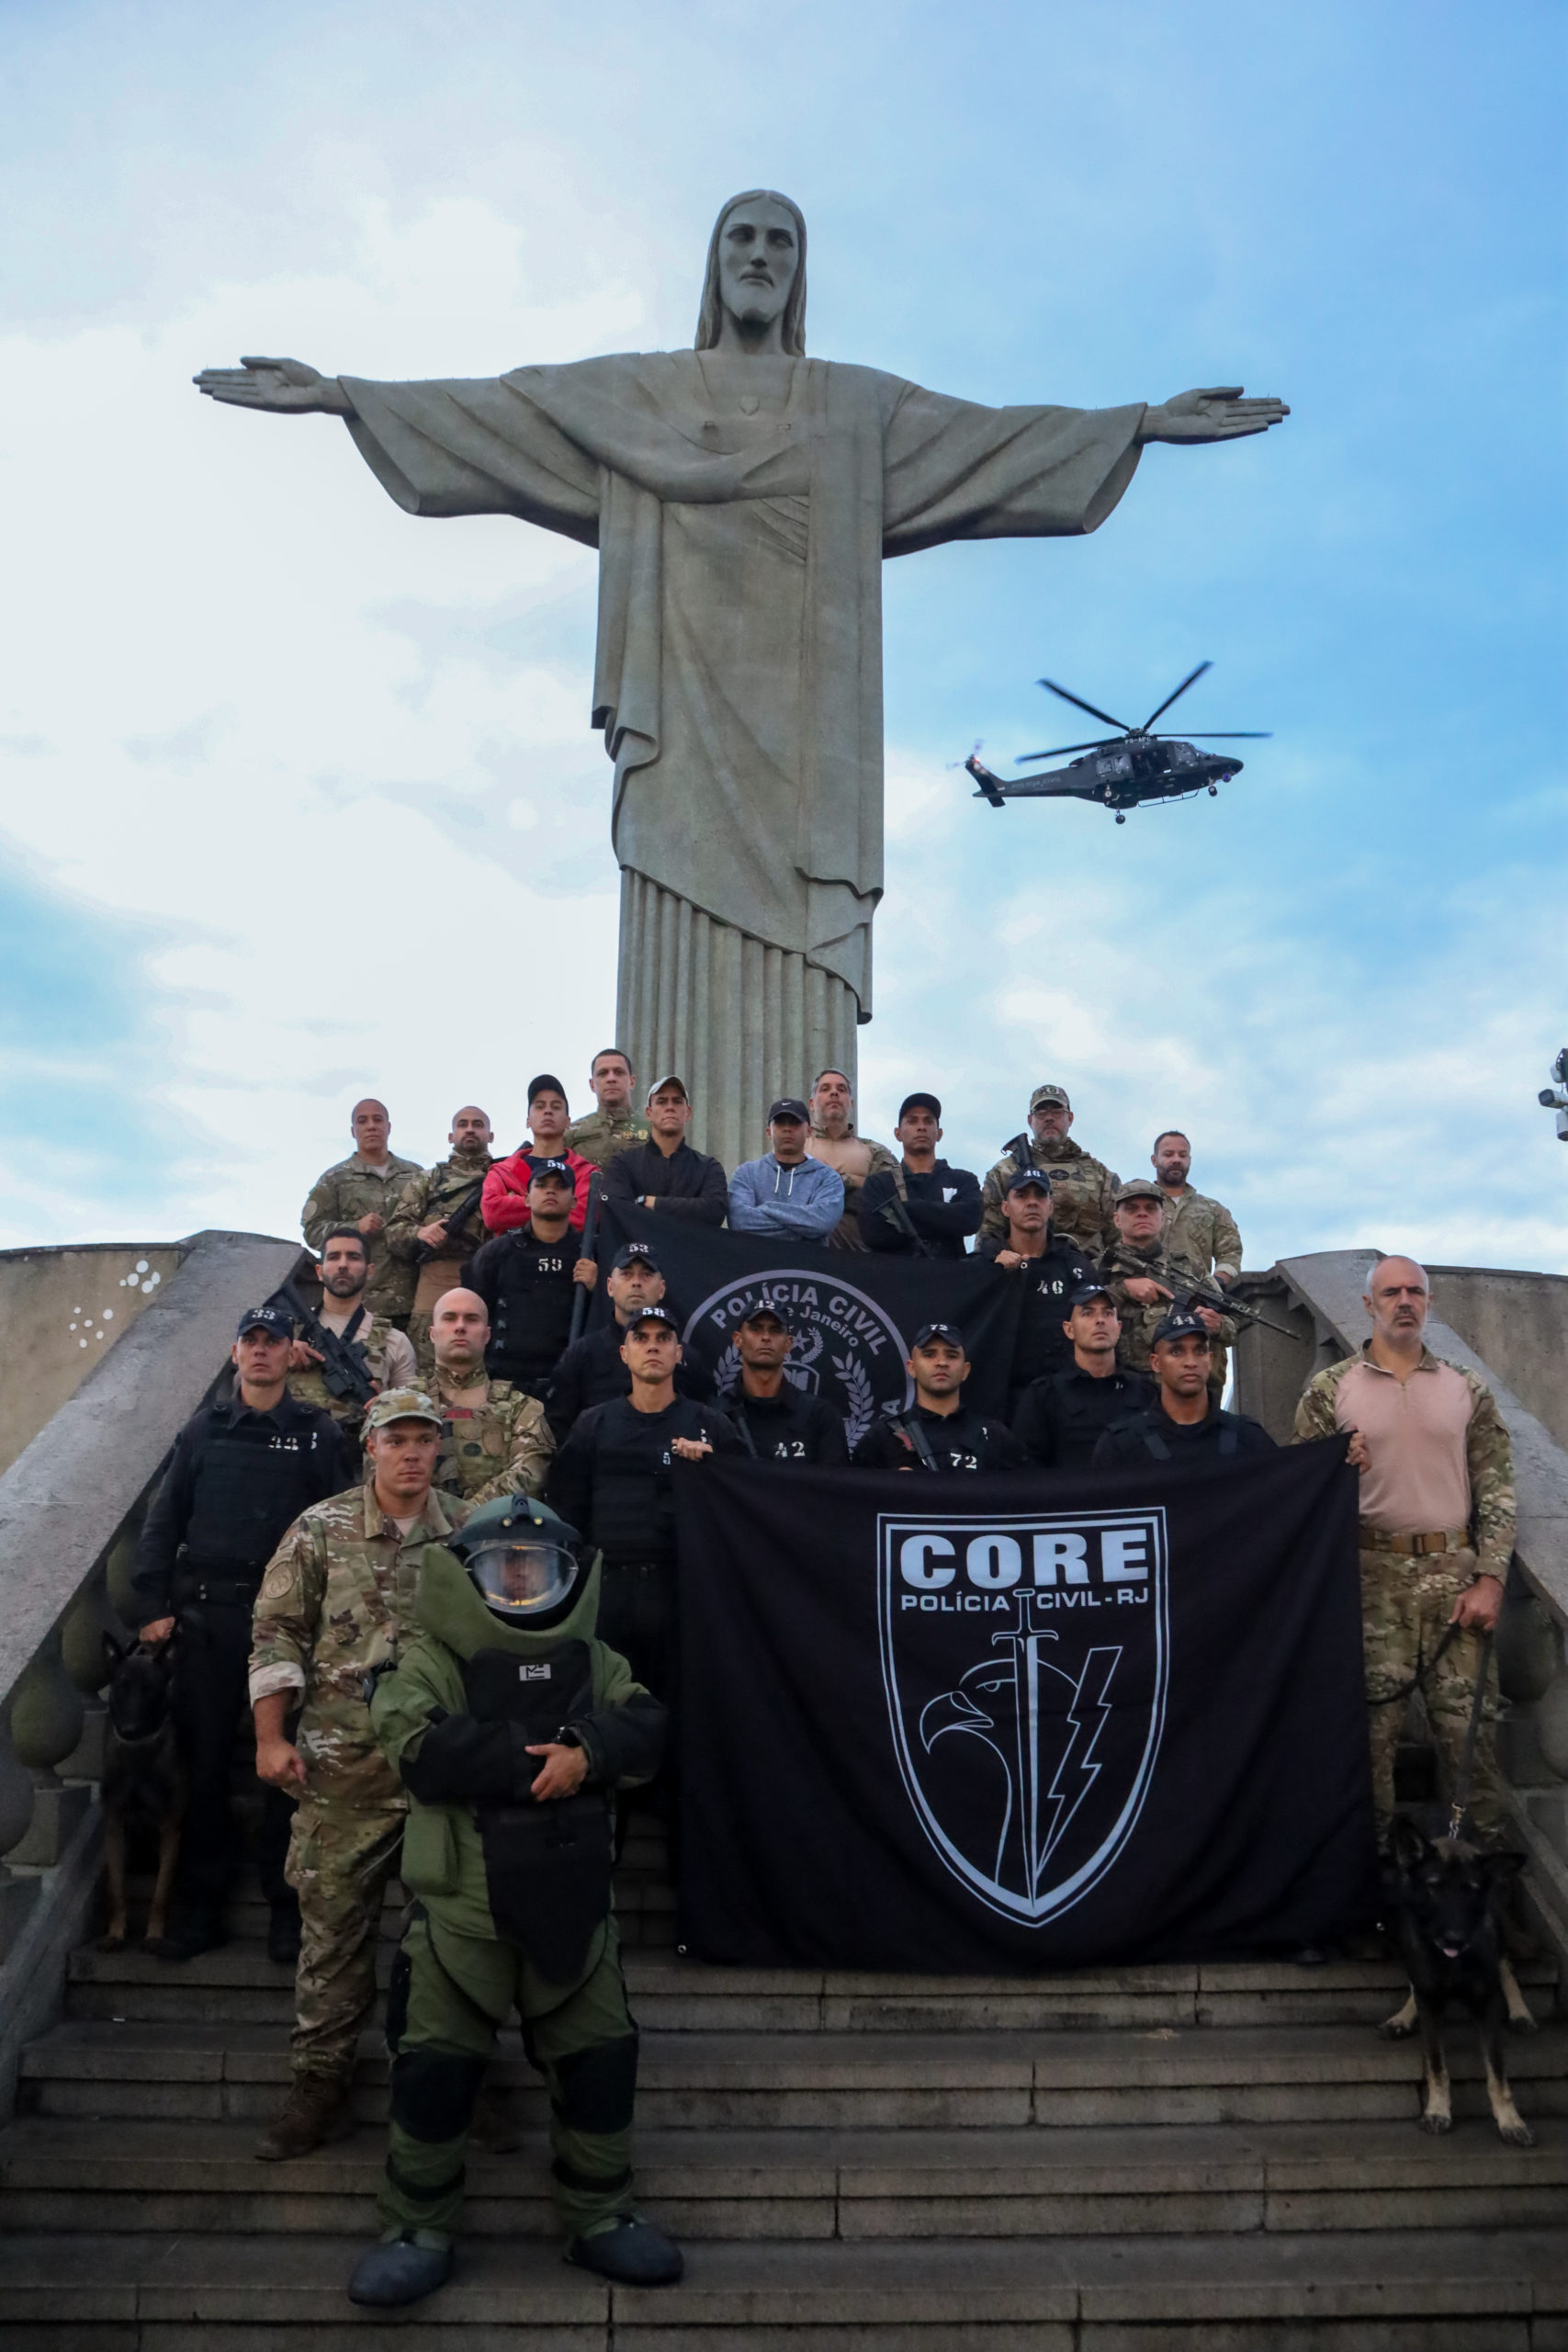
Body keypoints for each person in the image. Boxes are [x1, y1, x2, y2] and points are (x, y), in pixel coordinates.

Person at [347, 1494, 677, 2308]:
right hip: (462, 1912)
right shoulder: (429, 1657)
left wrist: (590, 1748)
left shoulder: (594, 1658)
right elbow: (420, 1746)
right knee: (432, 2067)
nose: (522, 1584)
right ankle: (415, 2225)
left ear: (568, 1576)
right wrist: (559, 1757)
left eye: (537, 1570)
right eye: (505, 1569)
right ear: (468, 1574)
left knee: (600, 2060)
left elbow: (646, 1726)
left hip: (575, 1909)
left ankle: (601, 2214)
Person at [248, 1389, 469, 2160]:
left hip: (443, 1775)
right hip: (340, 1771)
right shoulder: (321, 1529)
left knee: (447, 1941)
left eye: (423, 1439)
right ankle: (319, 2087)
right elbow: (276, 1630)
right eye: (396, 1439)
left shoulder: (470, 1531)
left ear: (439, 1447)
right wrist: (271, 1736)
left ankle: (443, 2084)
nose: (411, 1453)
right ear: (369, 1447)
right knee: (334, 1936)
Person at [130, 1306, 356, 1964]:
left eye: (273, 1342)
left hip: (288, 1624)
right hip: (206, 1621)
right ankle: (201, 1910)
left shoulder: (316, 1435)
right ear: (235, 1354)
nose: (261, 1353)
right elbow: (163, 1519)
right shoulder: (203, 1430)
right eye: (251, 1342)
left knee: (285, 1769)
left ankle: (287, 1912)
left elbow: (338, 1526)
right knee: (201, 1772)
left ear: (292, 1354)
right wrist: (151, 1601)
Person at [1292, 1255, 1515, 1843]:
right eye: (1391, 1292)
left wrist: (1491, 1578)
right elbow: (1297, 1490)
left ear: (1429, 1303)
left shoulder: (1465, 1388)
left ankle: (1481, 1894)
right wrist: (1337, 1468)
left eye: (1415, 1291)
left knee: (1472, 1743)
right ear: (1369, 1306)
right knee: (1367, 1748)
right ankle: (1373, 1898)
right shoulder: (1330, 1388)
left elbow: (1496, 1487)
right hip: (1371, 1584)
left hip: (1456, 1584)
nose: (1405, 1301)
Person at [547, 1307, 741, 1700]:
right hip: (608, 1592)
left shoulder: (712, 1426)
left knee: (684, 1710)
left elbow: (741, 1513)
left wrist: (712, 1470)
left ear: (679, 1353)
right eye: (641, 1338)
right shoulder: (592, 1424)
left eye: (663, 1338)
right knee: (606, 1705)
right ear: (624, 1353)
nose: (652, 1346)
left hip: (682, 1593)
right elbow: (567, 1508)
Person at [545, 1242, 716, 1442]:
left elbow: (708, 1428)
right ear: (609, 1286)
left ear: (661, 1289)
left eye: (646, 1275)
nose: (636, 1282)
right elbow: (556, 1430)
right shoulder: (583, 1354)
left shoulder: (687, 1359)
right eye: (626, 1274)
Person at [466, 1162, 596, 1400]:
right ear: (525, 1199)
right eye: (542, 1185)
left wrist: (599, 1289)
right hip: (504, 1385)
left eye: (560, 1186)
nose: (550, 1191)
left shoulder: (592, 1253)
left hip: (572, 1387)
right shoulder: (497, 1252)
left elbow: (615, 1321)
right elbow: (471, 1312)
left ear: (575, 1201)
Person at [978, 1169, 1099, 1417]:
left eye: (1040, 1196)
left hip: (1063, 1401)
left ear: (1051, 1206)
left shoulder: (1076, 1267)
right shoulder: (981, 1267)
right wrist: (994, 1273)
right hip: (997, 1402)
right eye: (1021, 1195)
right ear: (1005, 1208)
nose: (1032, 1202)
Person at [1091, 1308, 1277, 1468]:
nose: (1190, 1362)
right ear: (1156, 1363)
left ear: (1210, 1360)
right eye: (1176, 1352)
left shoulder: (1249, 1437)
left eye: (1199, 1351)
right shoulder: (1121, 1445)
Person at [386, 1106, 496, 1374]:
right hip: (434, 1283)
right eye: (463, 1124)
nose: (470, 1129)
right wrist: (420, 1233)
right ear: (451, 1135)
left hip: (487, 1283)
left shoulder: (502, 1178)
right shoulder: (428, 1181)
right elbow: (393, 1234)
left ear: (490, 1135)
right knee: (426, 1370)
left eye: (477, 1124)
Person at [286, 1228, 420, 1438]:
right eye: (334, 1257)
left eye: (353, 1257)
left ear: (370, 1270)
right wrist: (276, 1354)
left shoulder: (395, 1340)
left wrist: (389, 1406)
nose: (343, 1265)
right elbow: (243, 1385)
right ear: (319, 1271)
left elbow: (411, 1423)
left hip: (359, 1462)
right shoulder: (286, 1330)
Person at [301, 1099, 424, 1327]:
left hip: (413, 1301)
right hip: (360, 1305)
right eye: (362, 1121)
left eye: (378, 1119)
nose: (371, 1126)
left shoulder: (416, 1175)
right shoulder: (334, 1179)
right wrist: (355, 1227)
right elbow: (313, 1231)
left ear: (389, 1127)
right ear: (353, 1131)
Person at [425, 1287, 555, 1504]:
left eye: (471, 1319)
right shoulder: (401, 1404)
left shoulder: (521, 1409)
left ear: (487, 1335)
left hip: (495, 1531)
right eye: (449, 1318)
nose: (460, 1327)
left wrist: (464, 1517)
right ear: (432, 1333)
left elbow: (530, 1477)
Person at [1012, 1281, 1155, 1470]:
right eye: (1088, 1313)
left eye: (1108, 1313)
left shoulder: (1144, 1391)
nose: (1100, 1320)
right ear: (1069, 1329)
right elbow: (1025, 1468)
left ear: (1118, 1327)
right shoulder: (1044, 1396)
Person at [1099, 1179, 1231, 1378]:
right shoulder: (1097, 1267)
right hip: (1119, 1385)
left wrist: (1218, 1325)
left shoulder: (1190, 1267)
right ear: (1117, 1220)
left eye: (1150, 1208)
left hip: (1178, 1387)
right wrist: (1123, 1288)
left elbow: (1232, 1325)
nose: (1142, 1213)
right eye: (1132, 1208)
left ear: (1163, 1218)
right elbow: (1076, 1317)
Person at [852, 1323, 1026, 1473]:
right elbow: (853, 1501)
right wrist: (891, 1488)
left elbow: (1026, 1498)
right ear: (911, 1368)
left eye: (951, 1355)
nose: (941, 1362)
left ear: (965, 1370)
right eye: (929, 1355)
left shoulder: (995, 1437)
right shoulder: (883, 1437)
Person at [978, 1084, 1120, 1260]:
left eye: (1057, 1112)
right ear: (1030, 1120)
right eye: (1041, 1113)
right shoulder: (1005, 1171)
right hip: (1023, 1274)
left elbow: (1119, 1236)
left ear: (1070, 1117)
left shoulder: (1099, 1174)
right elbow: (987, 1234)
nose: (1049, 1118)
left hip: (1086, 1275)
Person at [1153, 1129, 1243, 1399]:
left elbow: (1231, 1253)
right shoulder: (1140, 1204)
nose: (1176, 1160)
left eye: (1182, 1154)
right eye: (1168, 1154)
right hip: (1151, 1311)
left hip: (1198, 1312)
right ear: (1155, 1159)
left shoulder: (1212, 1209)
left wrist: (1215, 1288)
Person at [724, 1303, 851, 1464]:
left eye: (775, 1330)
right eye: (756, 1329)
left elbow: (837, 1485)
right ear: (738, 1339)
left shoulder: (821, 1416)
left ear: (789, 1343)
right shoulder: (716, 1415)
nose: (766, 1337)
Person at [861, 1091, 981, 1260]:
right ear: (898, 1133)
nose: (921, 1127)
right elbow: (874, 1233)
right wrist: (944, 1219)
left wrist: (907, 1209)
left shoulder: (963, 1180)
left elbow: (970, 1220)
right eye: (912, 1121)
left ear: (939, 1133)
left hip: (949, 1281)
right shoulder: (879, 1184)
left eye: (929, 1121)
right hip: (895, 1282)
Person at [604, 1075, 728, 1224]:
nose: (670, 1107)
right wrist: (688, 1209)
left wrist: (652, 1202)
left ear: (687, 1113)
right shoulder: (623, 1163)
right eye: (661, 1101)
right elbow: (618, 1211)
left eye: (677, 1101)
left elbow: (714, 1211)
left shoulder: (708, 1167)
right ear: (649, 1113)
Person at [804, 1068, 904, 1250]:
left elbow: (892, 1203)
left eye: (841, 1090)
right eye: (825, 1089)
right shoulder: (796, 1148)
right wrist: (856, 1181)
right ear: (812, 1103)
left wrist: (830, 1182)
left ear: (851, 1103)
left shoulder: (875, 1151)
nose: (834, 1093)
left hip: (859, 1256)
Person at [482, 1076, 594, 1236]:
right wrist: (561, 1203)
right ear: (528, 1120)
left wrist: (516, 1203)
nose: (547, 1111)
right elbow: (492, 1214)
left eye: (556, 1107)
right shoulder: (502, 1172)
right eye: (539, 1106)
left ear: (568, 1121)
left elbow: (586, 1217)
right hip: (513, 1259)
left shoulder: (586, 1173)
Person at [728, 1100, 845, 1240]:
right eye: (780, 1123)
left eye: (794, 1122)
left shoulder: (827, 1178)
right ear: (768, 1132)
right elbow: (740, 1222)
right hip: (755, 1261)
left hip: (807, 1262)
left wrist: (765, 1208)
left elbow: (823, 1223)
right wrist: (804, 1231)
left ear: (809, 1131)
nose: (787, 1128)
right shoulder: (746, 1173)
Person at [564, 1046, 652, 1170]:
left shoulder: (653, 1130)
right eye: (602, 1073)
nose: (611, 1078)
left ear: (632, 1081)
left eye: (619, 1072)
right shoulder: (571, 1133)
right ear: (592, 1084)